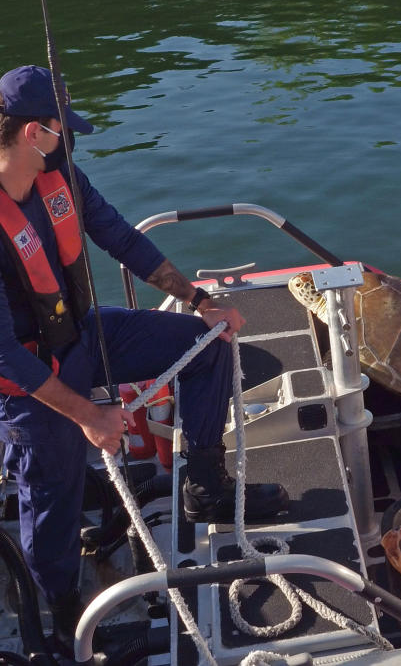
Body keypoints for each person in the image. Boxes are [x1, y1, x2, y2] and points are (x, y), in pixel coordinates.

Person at [0, 65, 290, 651]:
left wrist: (199, 300)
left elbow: (122, 239)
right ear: (33, 133)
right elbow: (4, 355)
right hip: (30, 382)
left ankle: (203, 484)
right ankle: (60, 616)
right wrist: (87, 415)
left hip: (85, 336)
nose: (70, 139)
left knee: (204, 349)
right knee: (51, 507)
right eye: (63, 128)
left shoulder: (63, 179)